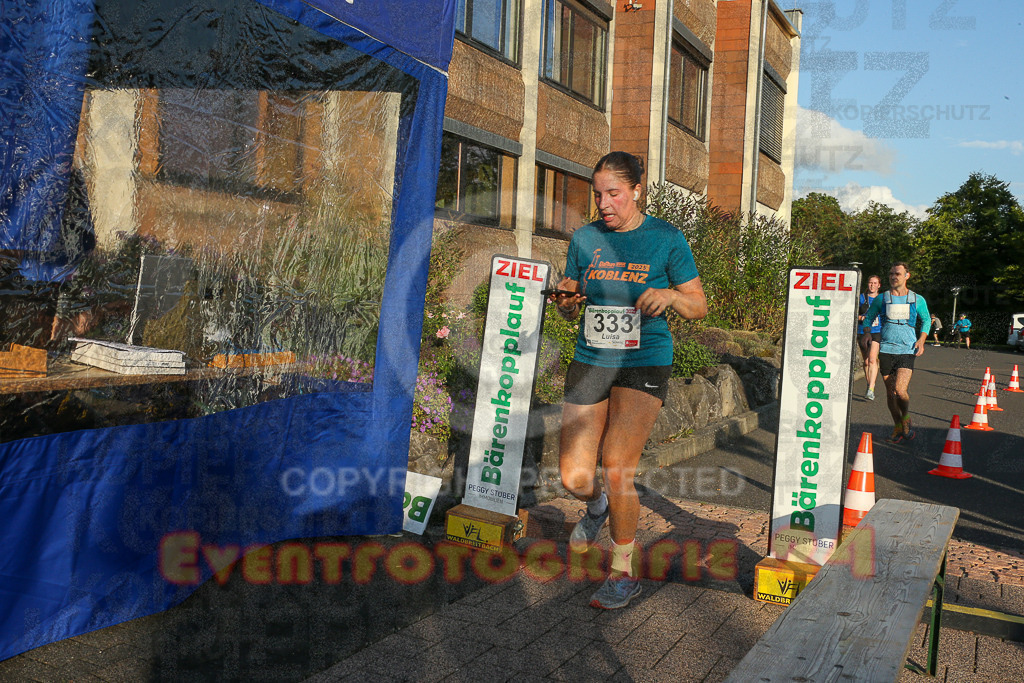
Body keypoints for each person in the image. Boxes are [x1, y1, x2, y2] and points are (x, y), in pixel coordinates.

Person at [550, 151, 707, 609]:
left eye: (613, 193)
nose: (604, 203)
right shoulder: (584, 239)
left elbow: (698, 304)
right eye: (597, 194)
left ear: (637, 191)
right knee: (574, 476)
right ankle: (596, 506)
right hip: (592, 359)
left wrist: (671, 295)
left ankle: (623, 571)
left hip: (644, 360)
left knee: (617, 463)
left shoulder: (666, 238)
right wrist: (565, 300)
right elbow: (570, 291)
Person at [861, 262, 930, 443]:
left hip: (907, 349)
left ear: (907, 275)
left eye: (897, 274)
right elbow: (869, 317)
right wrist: (867, 332)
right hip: (886, 349)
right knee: (891, 393)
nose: (893, 277)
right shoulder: (882, 298)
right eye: (891, 274)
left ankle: (905, 417)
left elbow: (927, 321)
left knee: (900, 390)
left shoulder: (916, 299)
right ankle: (897, 425)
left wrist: (921, 340)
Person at [857, 275, 882, 400]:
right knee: (866, 361)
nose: (872, 285)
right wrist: (861, 318)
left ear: (879, 285)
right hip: (862, 331)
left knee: (872, 359)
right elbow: (853, 313)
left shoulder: (883, 299)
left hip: (876, 331)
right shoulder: (861, 298)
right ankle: (869, 383)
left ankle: (871, 389)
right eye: (870, 283)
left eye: (875, 283)